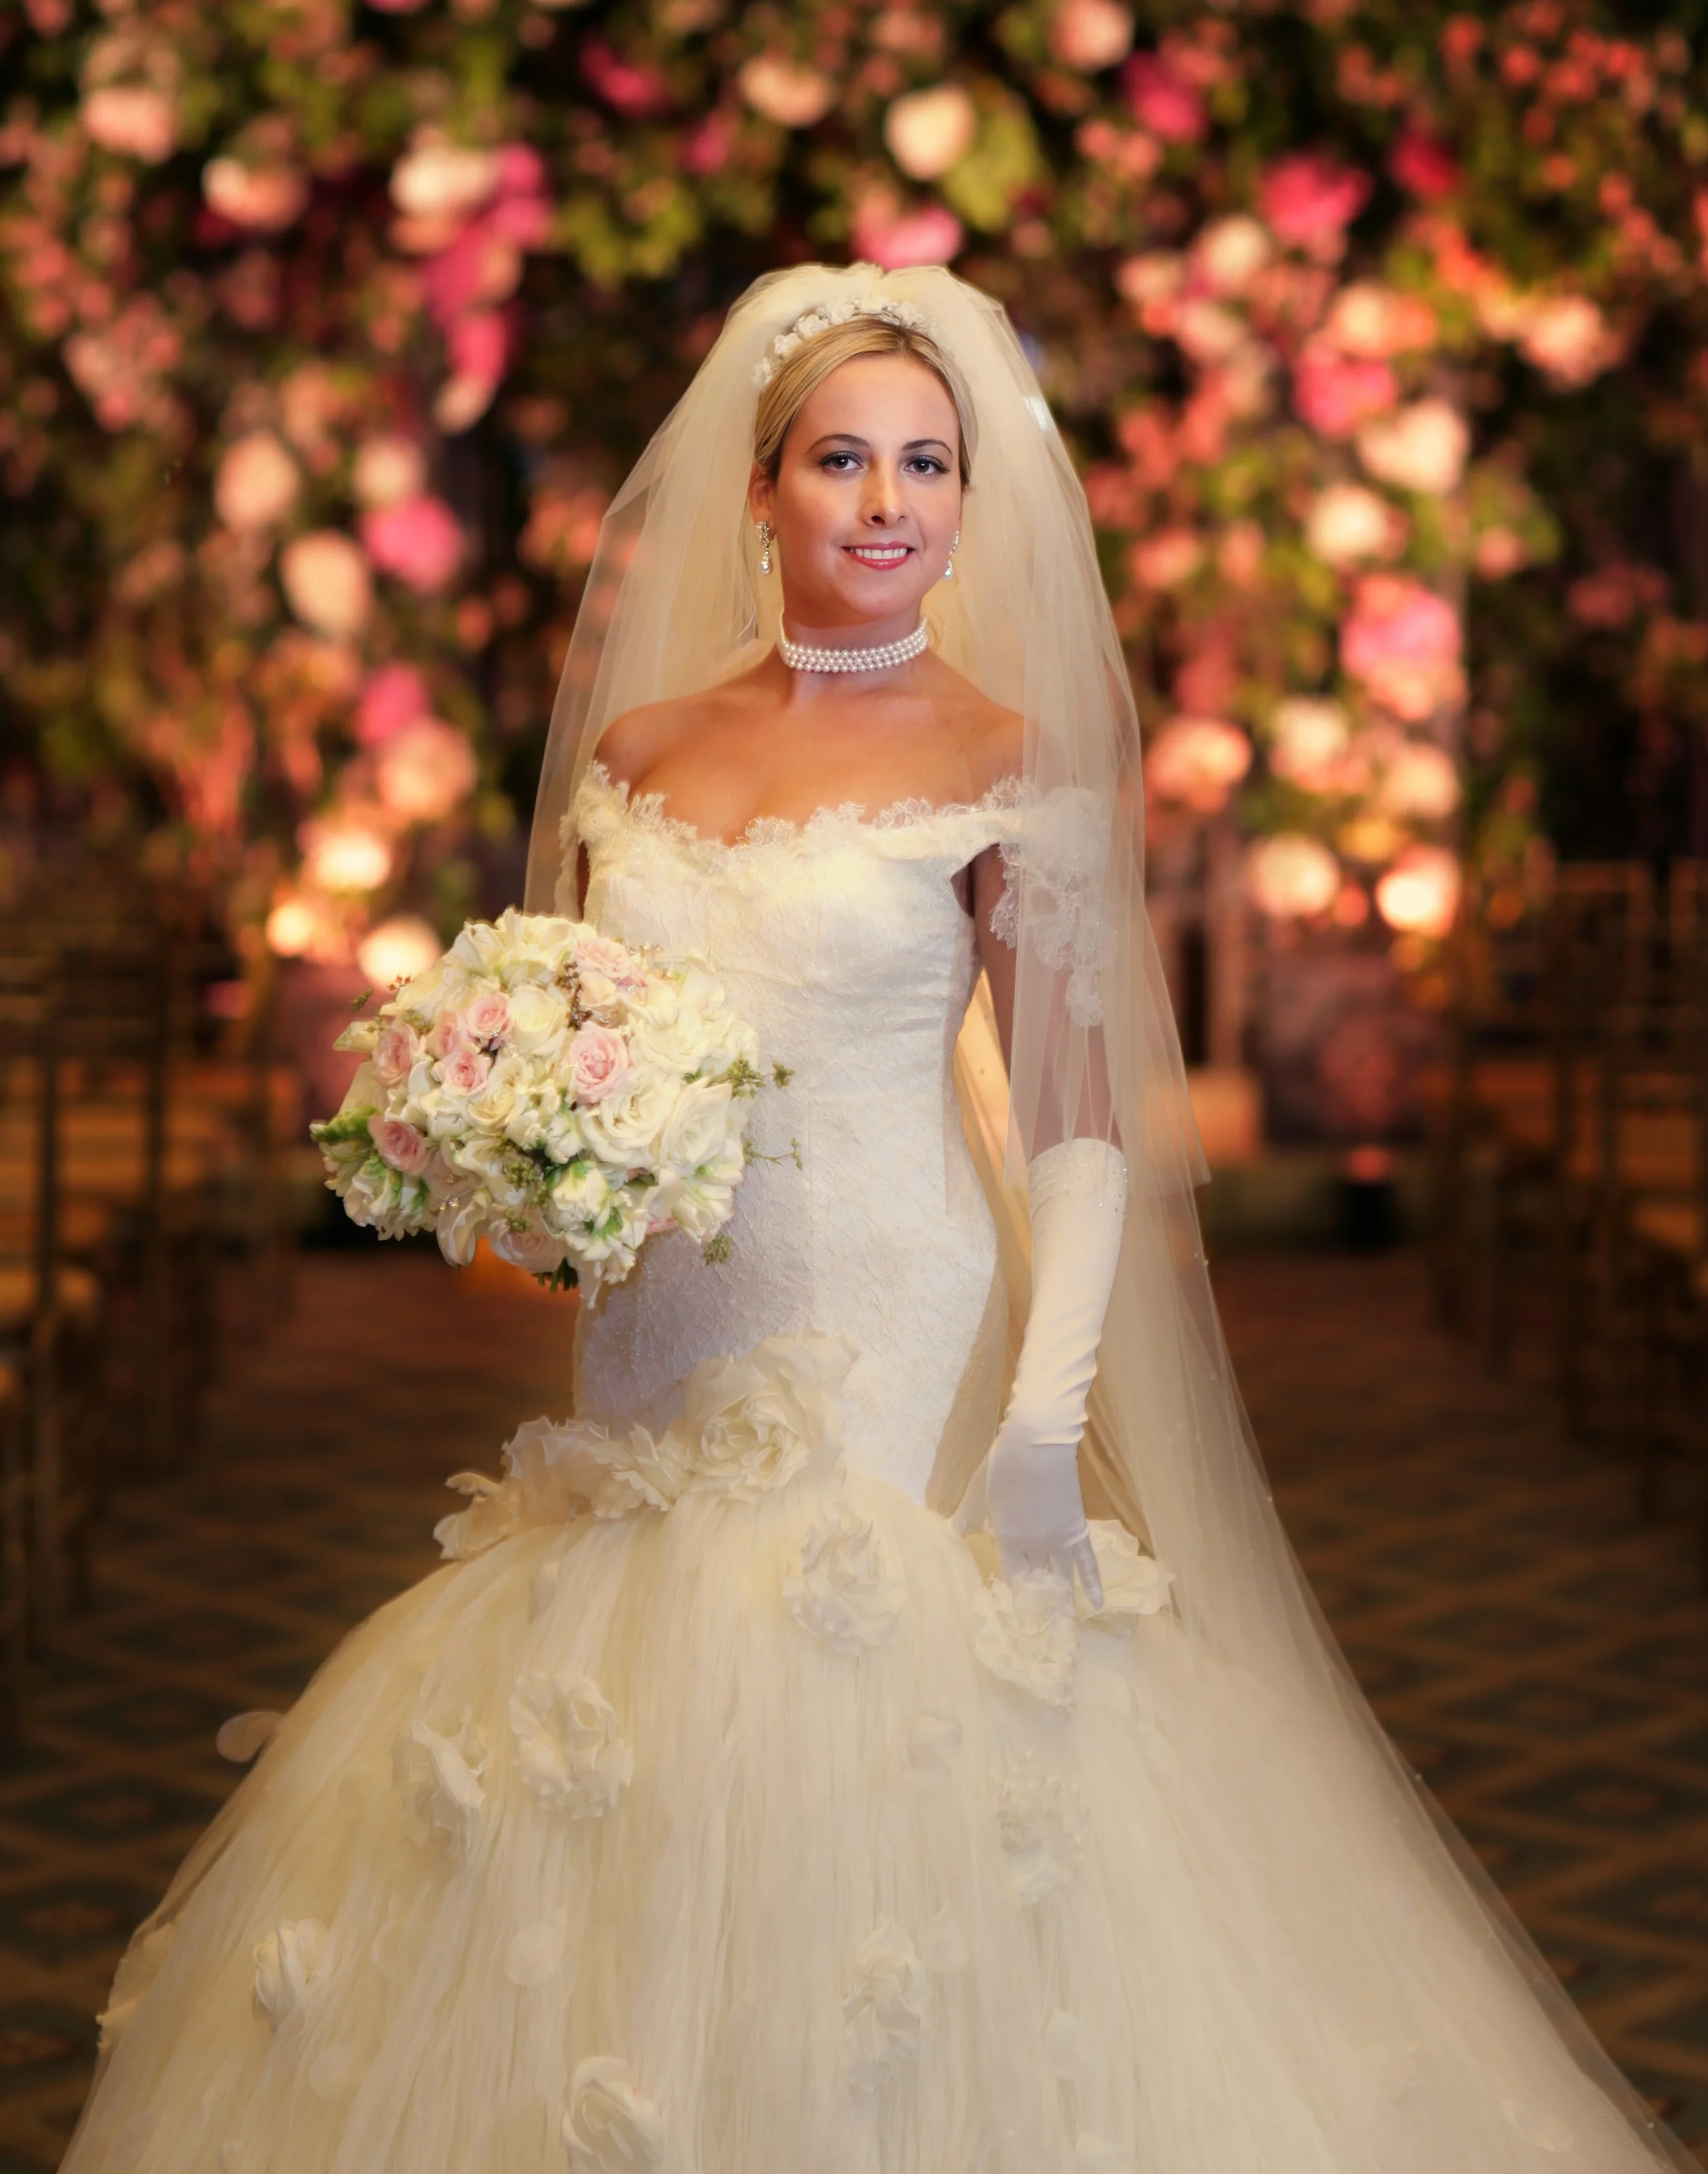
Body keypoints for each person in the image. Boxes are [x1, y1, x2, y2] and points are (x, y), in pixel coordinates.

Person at [63, 264, 1692, 2174]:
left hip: (892, 1323)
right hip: (659, 1336)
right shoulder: (640, 754)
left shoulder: (1003, 753)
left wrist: (1044, 1422)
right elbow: (592, 1037)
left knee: (868, 1735)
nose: (887, 501)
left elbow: (1076, 1130)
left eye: (928, 463)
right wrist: (517, 1153)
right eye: (841, 459)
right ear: (760, 491)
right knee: (619, 1751)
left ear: (970, 501)